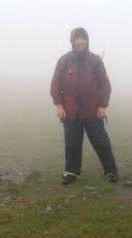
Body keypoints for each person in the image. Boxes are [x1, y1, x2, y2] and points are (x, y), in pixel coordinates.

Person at [50, 27, 118, 185]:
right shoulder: (64, 61)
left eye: (83, 39)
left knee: (101, 142)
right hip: (70, 111)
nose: (80, 42)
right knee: (71, 144)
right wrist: (59, 105)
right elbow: (55, 85)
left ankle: (111, 171)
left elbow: (105, 84)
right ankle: (70, 172)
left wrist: (103, 105)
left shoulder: (95, 61)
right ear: (72, 41)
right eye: (77, 39)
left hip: (93, 110)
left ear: (87, 41)